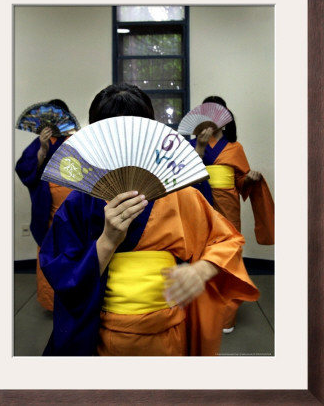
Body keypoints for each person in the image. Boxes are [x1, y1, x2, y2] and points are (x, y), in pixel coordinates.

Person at [39, 84, 259, 356]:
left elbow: (226, 240)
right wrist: (107, 241)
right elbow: (58, 267)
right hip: (101, 331)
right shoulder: (80, 200)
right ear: (96, 137)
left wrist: (201, 270)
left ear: (148, 133)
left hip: (168, 330)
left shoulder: (181, 194)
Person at [190, 95, 274, 332]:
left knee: (228, 258)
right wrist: (200, 147)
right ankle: (202, 314)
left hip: (228, 208)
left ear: (224, 120)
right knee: (200, 257)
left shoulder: (235, 148)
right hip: (199, 207)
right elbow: (184, 178)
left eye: (217, 113)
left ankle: (226, 317)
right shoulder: (191, 144)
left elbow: (239, 181)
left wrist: (249, 178)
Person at [15, 99, 74, 311]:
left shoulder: (75, 138)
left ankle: (75, 298)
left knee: (74, 248)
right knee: (49, 248)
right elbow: (25, 169)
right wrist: (42, 148)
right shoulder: (42, 141)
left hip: (74, 201)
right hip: (49, 203)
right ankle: (51, 302)